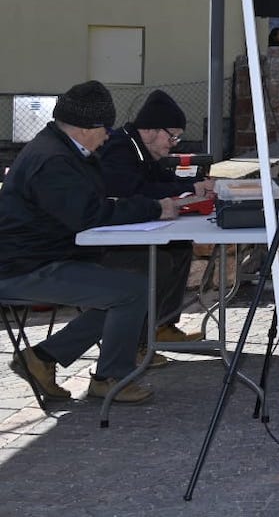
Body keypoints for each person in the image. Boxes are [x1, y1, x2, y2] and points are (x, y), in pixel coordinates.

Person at [0, 81, 193, 405]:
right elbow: (89, 214)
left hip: (47, 254)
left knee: (149, 270)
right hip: (26, 267)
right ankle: (110, 377)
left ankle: (44, 357)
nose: (108, 134)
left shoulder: (63, 149)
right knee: (131, 290)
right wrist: (154, 208)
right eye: (105, 127)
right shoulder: (54, 160)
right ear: (87, 128)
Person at [98, 89, 214, 348]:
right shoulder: (120, 149)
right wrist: (190, 190)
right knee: (158, 260)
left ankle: (162, 324)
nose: (174, 143)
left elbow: (164, 181)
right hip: (106, 238)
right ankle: (136, 341)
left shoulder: (141, 150)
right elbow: (132, 189)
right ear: (150, 130)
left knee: (180, 246)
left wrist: (196, 184)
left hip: (128, 229)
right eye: (172, 136)